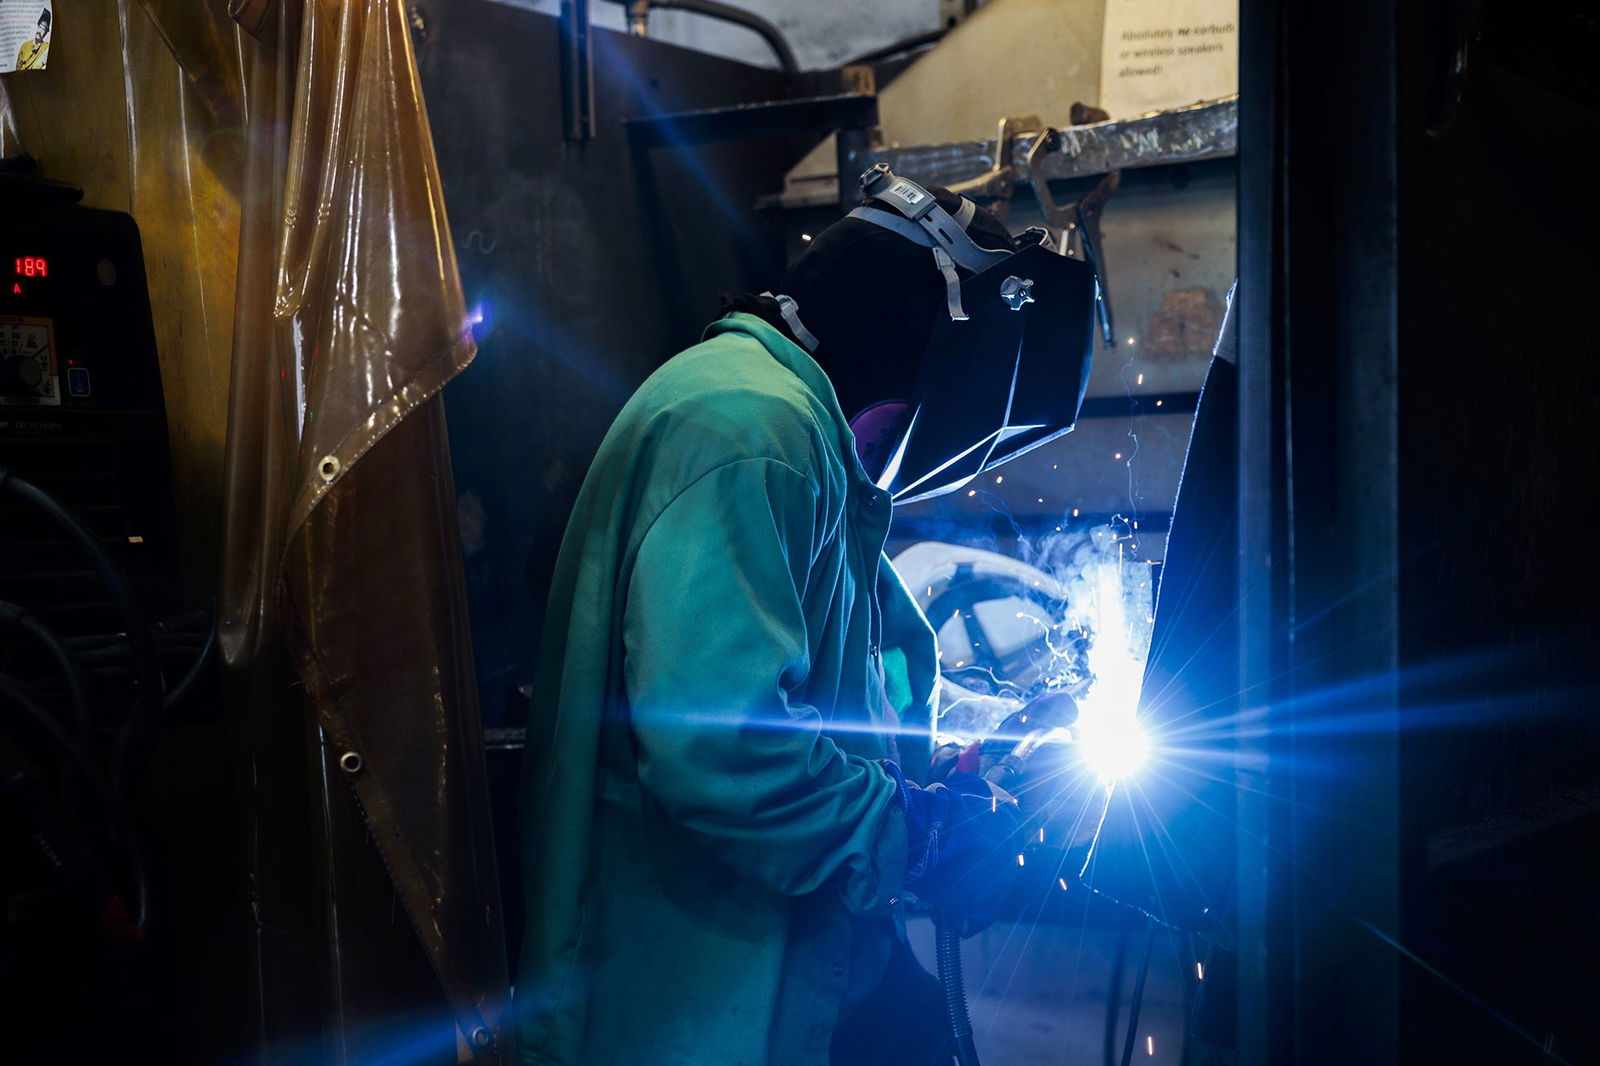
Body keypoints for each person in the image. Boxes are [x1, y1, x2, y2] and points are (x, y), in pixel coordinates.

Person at [517, 166, 1099, 1066]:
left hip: (789, 963)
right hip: (699, 997)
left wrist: (960, 761)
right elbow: (723, 742)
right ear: (908, 361)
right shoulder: (751, 432)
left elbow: (862, 685)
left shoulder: (796, 434)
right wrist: (919, 832)